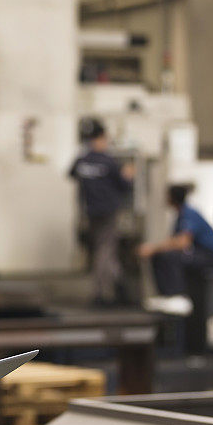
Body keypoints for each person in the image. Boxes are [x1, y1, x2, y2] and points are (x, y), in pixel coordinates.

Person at [137, 185, 213, 353]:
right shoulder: (180, 215)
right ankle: (167, 294)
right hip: (197, 255)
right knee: (161, 256)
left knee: (170, 256)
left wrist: (152, 248)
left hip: (209, 256)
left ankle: (176, 295)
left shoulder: (189, 214)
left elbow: (182, 242)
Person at [69, 118, 134, 306]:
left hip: (90, 211)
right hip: (108, 211)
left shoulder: (82, 160)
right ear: (101, 138)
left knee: (105, 250)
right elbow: (125, 185)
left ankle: (121, 288)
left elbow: (72, 174)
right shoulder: (109, 162)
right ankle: (100, 293)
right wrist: (128, 175)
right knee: (104, 251)